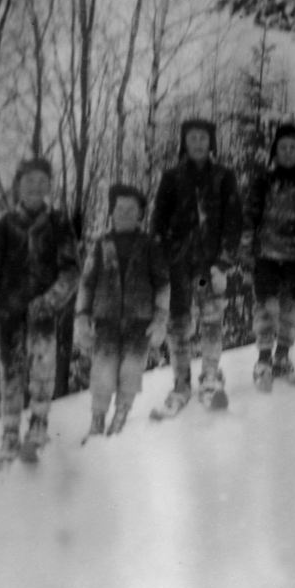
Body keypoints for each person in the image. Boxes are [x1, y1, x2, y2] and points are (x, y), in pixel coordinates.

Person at [0, 157, 80, 464]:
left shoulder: (59, 222)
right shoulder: (3, 224)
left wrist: (48, 302)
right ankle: (9, 432)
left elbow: (71, 271)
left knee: (42, 370)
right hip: (8, 314)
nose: (35, 187)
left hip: (43, 316)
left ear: (49, 186)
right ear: (18, 185)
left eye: (41, 182)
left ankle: (38, 424)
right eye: (28, 181)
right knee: (10, 373)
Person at [150, 118, 243, 415]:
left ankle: (210, 376)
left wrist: (223, 262)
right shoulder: (172, 177)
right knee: (179, 325)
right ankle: (181, 383)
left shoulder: (224, 176)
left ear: (211, 142)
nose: (198, 143)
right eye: (192, 138)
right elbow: (158, 221)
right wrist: (160, 260)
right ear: (184, 142)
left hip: (208, 268)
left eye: (203, 138)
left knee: (212, 318)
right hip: (178, 267)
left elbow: (234, 221)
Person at [74, 184, 170, 437]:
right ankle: (97, 419)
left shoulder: (149, 245)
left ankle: (121, 415)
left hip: (141, 321)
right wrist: (82, 316)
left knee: (131, 370)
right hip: (105, 320)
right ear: (111, 212)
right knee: (103, 371)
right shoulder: (101, 245)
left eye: (131, 209)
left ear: (140, 215)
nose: (125, 213)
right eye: (119, 208)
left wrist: (160, 318)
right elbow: (86, 282)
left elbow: (162, 283)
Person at [240, 122, 295, 391]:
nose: (288, 152)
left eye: (293, 147)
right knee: (265, 308)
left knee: (292, 309)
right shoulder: (262, 181)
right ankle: (264, 359)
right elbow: (249, 219)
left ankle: (283, 355)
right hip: (266, 256)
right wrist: (245, 253)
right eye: (283, 147)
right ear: (274, 151)